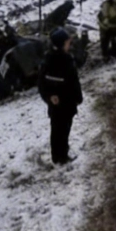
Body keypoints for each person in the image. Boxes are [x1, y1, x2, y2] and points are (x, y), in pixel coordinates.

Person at [38, 28, 83, 165]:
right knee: (63, 130)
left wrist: (49, 97)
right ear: (62, 44)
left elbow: (41, 83)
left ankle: (58, 155)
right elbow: (73, 82)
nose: (70, 44)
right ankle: (61, 157)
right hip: (67, 103)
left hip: (55, 104)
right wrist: (78, 98)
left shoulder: (47, 60)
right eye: (68, 42)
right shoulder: (66, 61)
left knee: (57, 130)